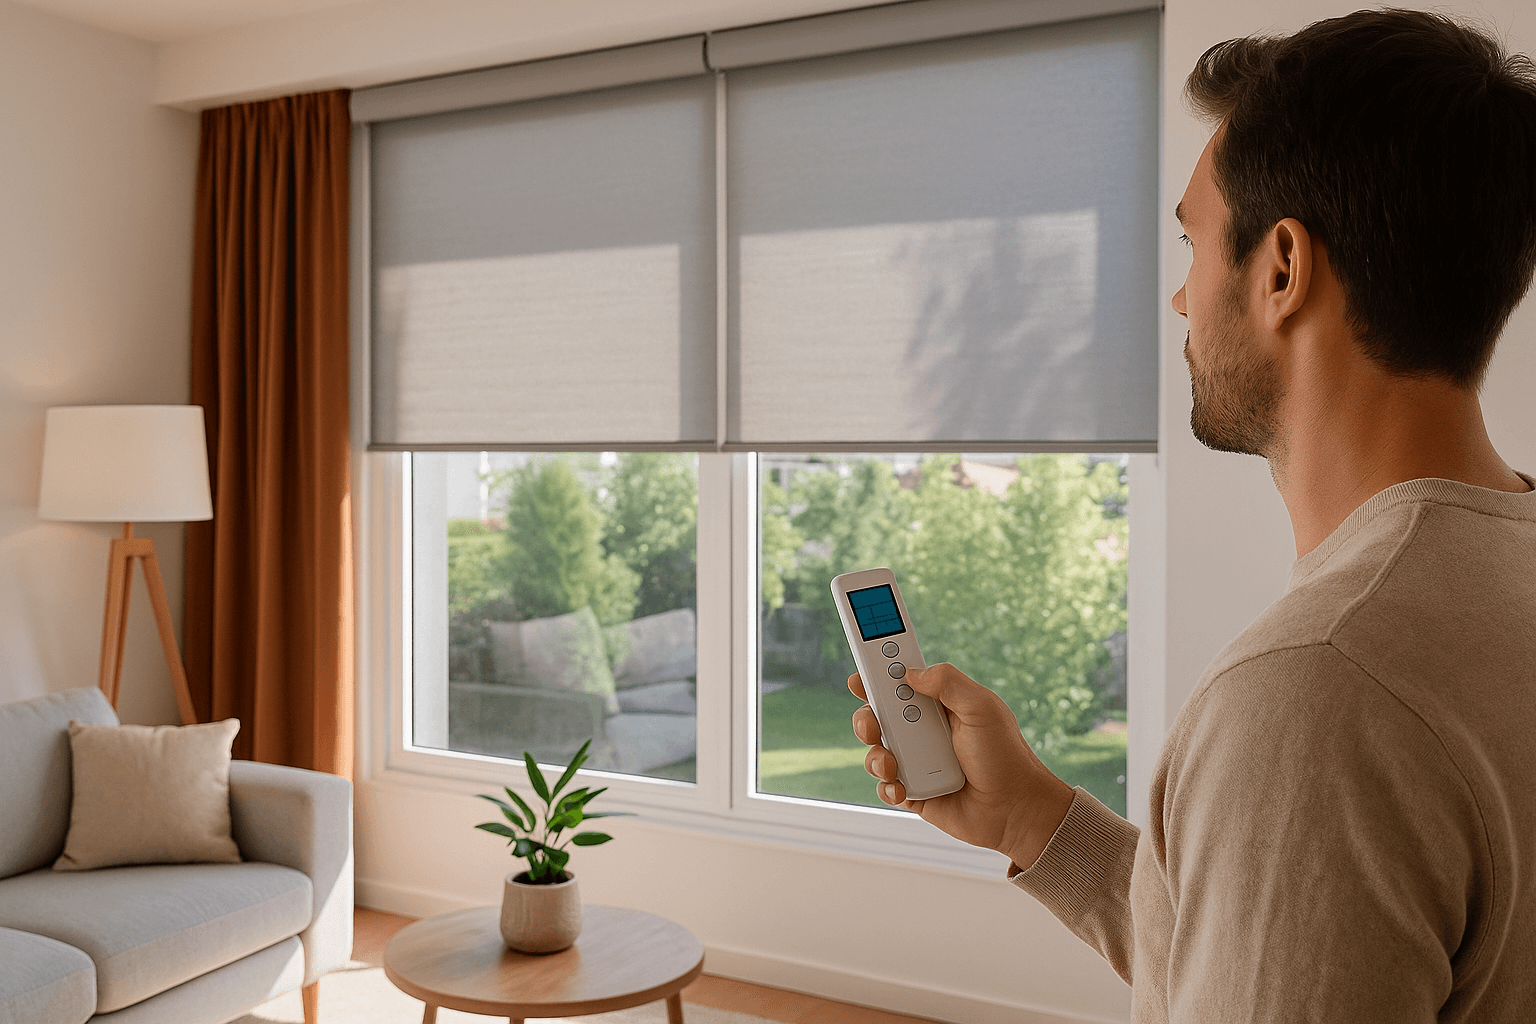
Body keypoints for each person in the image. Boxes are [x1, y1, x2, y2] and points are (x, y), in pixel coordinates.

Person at [850, 9, 1536, 1021]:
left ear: (1282, 271)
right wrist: (1035, 819)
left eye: (1194, 243)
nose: (1178, 298)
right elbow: (1275, 946)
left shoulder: (1321, 694)